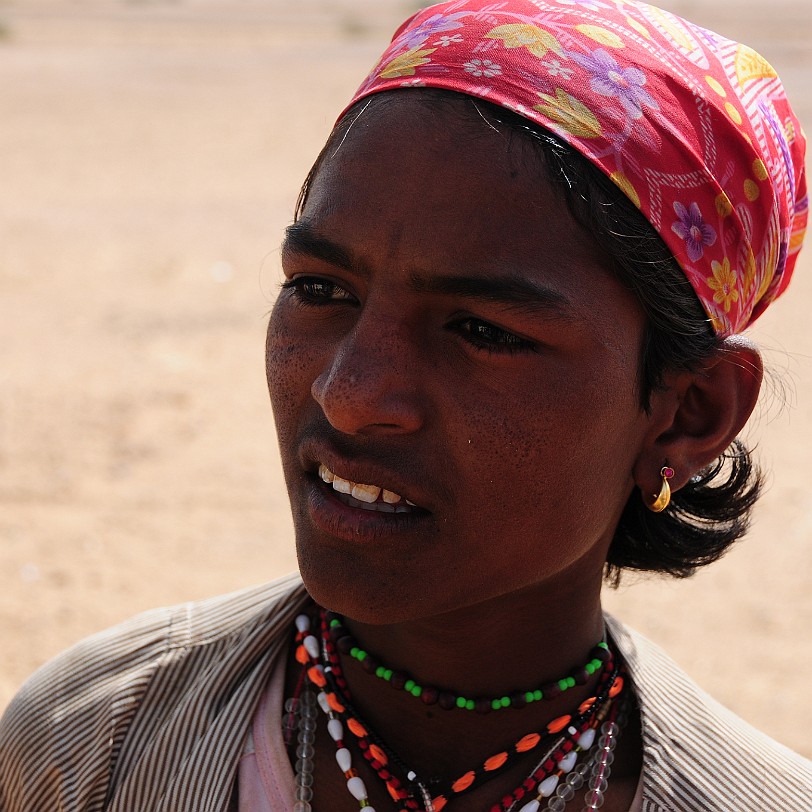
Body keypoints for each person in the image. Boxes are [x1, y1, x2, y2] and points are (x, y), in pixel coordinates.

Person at [1, 0, 810, 809]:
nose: (348, 395)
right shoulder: (95, 747)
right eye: (320, 290)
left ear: (688, 414)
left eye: (479, 330)